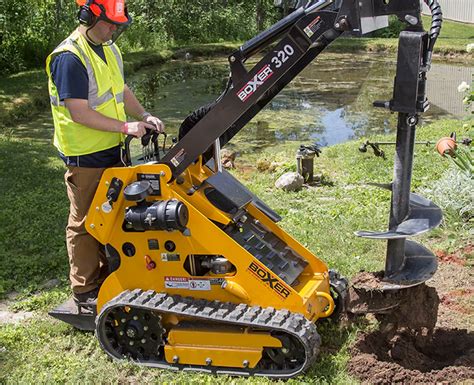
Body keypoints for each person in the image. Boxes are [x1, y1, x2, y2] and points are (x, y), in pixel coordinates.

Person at [45, 0, 164, 306]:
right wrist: (126, 127)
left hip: (113, 149)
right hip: (85, 156)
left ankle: (113, 274)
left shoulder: (109, 48)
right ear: (88, 16)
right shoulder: (69, 58)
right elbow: (79, 113)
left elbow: (120, 90)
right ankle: (84, 289)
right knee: (85, 222)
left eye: (118, 24)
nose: (114, 28)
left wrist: (144, 115)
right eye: (110, 23)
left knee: (112, 215)